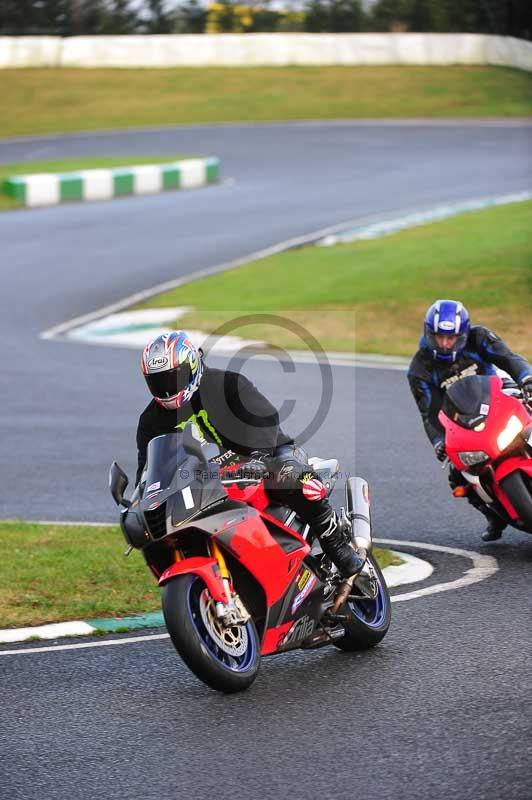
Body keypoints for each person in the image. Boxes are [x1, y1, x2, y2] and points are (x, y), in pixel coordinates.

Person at [136, 330, 363, 577]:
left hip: (266, 456)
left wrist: (259, 458)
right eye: (158, 382)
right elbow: (149, 467)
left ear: (191, 367)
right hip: (208, 481)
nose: (166, 390)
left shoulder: (227, 384)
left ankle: (336, 544)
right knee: (157, 530)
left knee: (290, 475)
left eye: (172, 378)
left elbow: (264, 419)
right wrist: (141, 499)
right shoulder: (151, 420)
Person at [408, 299, 532, 541]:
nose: (445, 344)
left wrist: (526, 378)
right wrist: (438, 442)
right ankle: (494, 516)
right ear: (428, 334)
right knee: (458, 475)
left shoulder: (480, 337)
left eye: (451, 338)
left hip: (501, 396)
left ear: (463, 334)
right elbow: (429, 412)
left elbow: (509, 359)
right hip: (463, 419)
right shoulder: (419, 368)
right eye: (439, 337)